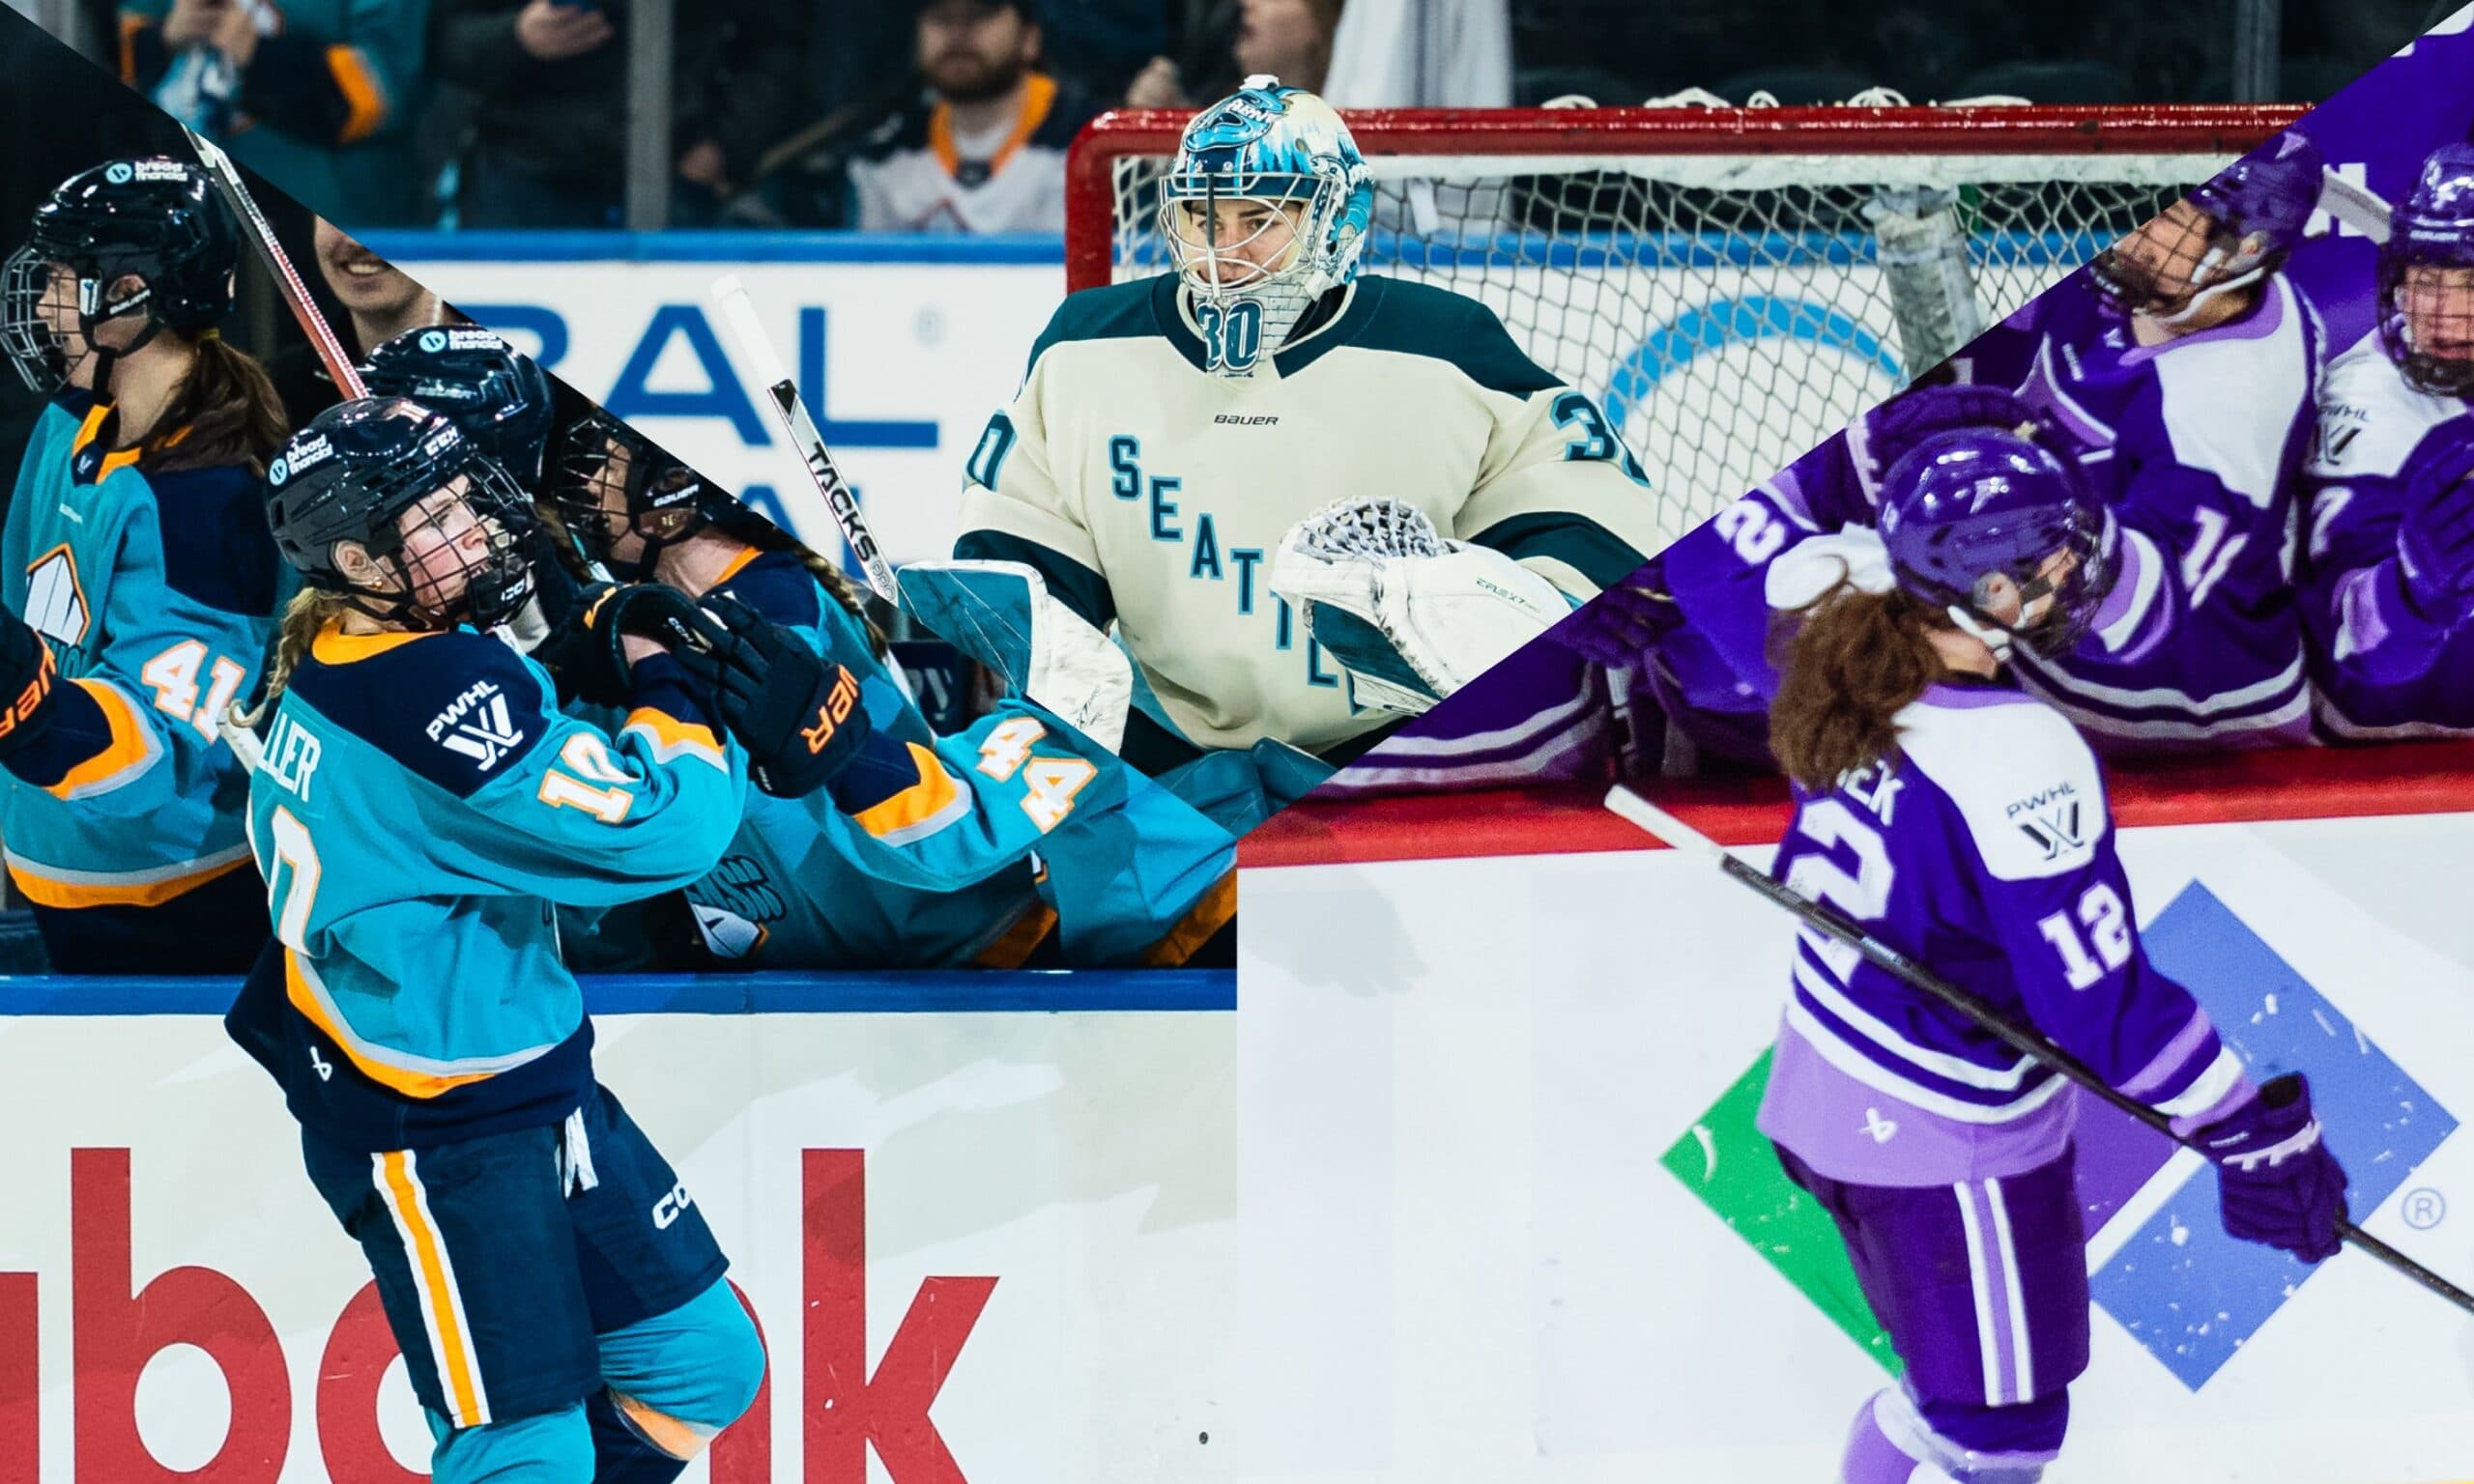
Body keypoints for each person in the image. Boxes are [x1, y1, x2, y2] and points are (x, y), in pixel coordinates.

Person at [1758, 426, 2348, 1482]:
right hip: (1945, 1140)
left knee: (1958, 1401)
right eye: (2047, 561)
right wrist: (2245, 1131)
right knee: (1999, 1429)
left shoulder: (1847, 653)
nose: (2074, 573)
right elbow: (2099, 1011)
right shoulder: (2013, 748)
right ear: (1978, 584)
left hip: (1826, 1095)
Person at [226, 395, 798, 1482]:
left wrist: (564, 652)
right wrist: (665, 687)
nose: (478, 530)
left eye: (462, 502)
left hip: (525, 1080)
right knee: (525, 1450)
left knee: (698, 1362)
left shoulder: (365, 644)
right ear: (359, 557)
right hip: (435, 1129)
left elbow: (499, 720)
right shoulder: (426, 687)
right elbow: (666, 830)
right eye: (433, 520)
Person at [931, 80, 1661, 814]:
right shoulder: (1086, 344)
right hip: (1163, 751)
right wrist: (1047, 654)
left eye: (1261, 218)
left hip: (1393, 751)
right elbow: (1025, 540)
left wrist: (1524, 606)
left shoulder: (1445, 346)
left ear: (1337, 218)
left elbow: (1576, 509)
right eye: (1203, 215)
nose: (1227, 250)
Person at [551, 411, 1236, 967]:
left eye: (605, 457)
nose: (579, 482)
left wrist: (837, 748)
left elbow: (945, 832)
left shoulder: (1118, 680)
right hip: (869, 978)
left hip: (1046, 960)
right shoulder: (641, 623)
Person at [0, 157, 285, 973]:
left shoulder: (205, 503)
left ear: (128, 297)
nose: (44, 305)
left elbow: (159, 758)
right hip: (53, 870)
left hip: (177, 904)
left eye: (60, 279)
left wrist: (26, 708)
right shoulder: (72, 423)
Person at [2002, 130, 2330, 752]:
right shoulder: (2190, 290)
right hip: (2071, 681)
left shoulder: (2219, 410)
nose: (2132, 233)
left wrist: (1990, 542)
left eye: (2168, 221)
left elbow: (2134, 609)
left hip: (2179, 721)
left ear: (2243, 250)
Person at [2300, 143, 2474, 737]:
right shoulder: (2368, 405)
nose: (2443, 312)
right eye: (2425, 279)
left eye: (2470, 281)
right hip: (2390, 765)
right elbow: (2353, 657)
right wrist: (2411, 593)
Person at [118, 0, 433, 225]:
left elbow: (384, 92)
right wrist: (161, 41)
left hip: (332, 223)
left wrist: (260, 59)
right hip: (189, 218)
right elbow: (114, 47)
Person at [846, 0, 1099, 234]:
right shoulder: (882, 158)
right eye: (941, 18)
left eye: (980, 15)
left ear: (1030, 38)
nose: (957, 34)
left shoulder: (1098, 145)